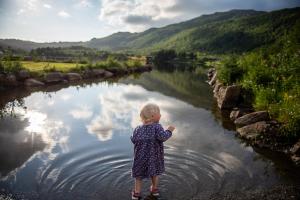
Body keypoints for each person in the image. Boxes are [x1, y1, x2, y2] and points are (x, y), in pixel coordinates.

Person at [130, 103, 175, 200]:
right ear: (153, 116)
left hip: (140, 158)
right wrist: (169, 131)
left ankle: (136, 194)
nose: (161, 115)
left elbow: (134, 140)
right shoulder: (157, 127)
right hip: (153, 158)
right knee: (154, 173)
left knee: (138, 176)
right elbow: (162, 137)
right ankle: (154, 190)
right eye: (159, 113)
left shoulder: (137, 128)